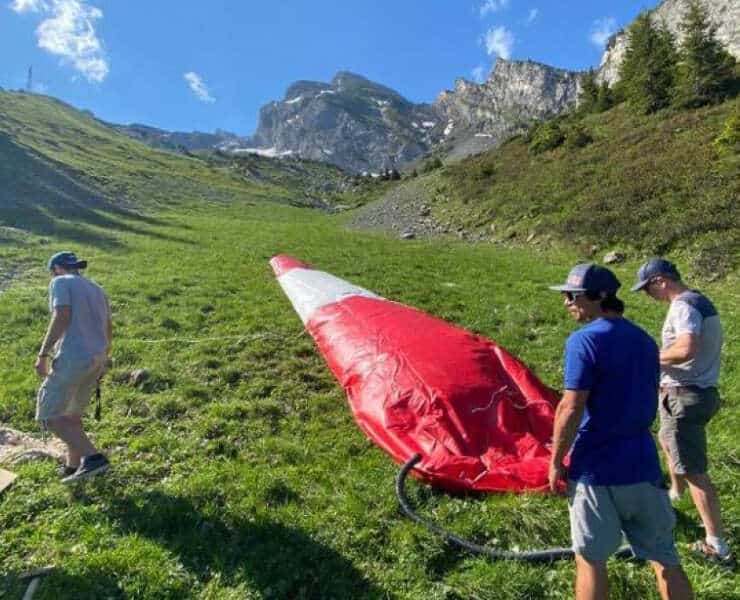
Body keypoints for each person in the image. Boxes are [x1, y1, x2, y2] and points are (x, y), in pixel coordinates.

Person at [548, 263, 693, 600]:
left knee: (590, 560)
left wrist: (556, 460)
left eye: (572, 295)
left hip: (596, 469)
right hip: (642, 465)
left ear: (598, 297)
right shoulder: (644, 341)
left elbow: (571, 407)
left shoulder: (583, 341)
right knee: (665, 557)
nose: (567, 302)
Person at [633, 258, 733, 567]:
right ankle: (676, 493)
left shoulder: (683, 307)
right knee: (667, 439)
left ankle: (717, 545)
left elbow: (686, 348)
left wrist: (649, 357)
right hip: (697, 391)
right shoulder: (700, 300)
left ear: (661, 281)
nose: (648, 295)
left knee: (694, 471)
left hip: (684, 395)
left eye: (647, 288)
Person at [35, 251, 112, 484]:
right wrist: (104, 358)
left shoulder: (60, 282)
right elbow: (108, 327)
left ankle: (94, 458)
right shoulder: (97, 289)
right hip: (97, 358)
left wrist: (43, 354)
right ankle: (72, 467)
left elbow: (62, 315)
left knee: (51, 416)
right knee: (71, 417)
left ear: (57, 268)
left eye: (52, 272)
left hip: (73, 357)